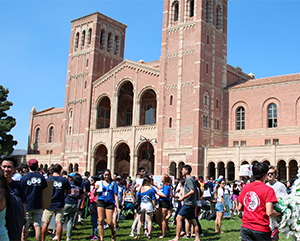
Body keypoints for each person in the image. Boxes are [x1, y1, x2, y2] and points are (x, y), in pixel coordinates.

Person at [238, 162, 281, 241]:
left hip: (246, 228)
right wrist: (280, 213)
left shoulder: (245, 188)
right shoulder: (268, 190)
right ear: (265, 175)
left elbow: (240, 208)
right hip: (261, 229)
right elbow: (269, 212)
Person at [41, 164, 71, 241]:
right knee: (59, 223)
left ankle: (42, 239)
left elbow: (44, 191)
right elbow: (69, 191)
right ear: (60, 170)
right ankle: (59, 239)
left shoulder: (48, 179)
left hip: (49, 203)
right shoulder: (63, 180)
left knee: (45, 223)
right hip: (60, 203)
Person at [170, 165, 200, 241]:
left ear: (186, 171)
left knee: (178, 218)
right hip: (192, 203)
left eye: (182, 170)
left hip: (188, 203)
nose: (181, 171)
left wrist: (183, 198)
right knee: (193, 220)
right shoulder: (191, 179)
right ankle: (197, 238)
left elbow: (192, 191)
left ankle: (177, 238)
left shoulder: (189, 179)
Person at [1, 156, 28, 241]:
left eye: (9, 167)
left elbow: (22, 205)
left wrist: (25, 222)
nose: (6, 169)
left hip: (13, 224)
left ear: (14, 169)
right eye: (4, 166)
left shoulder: (18, 187)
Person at [21, 159, 47, 241]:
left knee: (25, 225)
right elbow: (43, 192)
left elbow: (21, 192)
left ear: (28, 166)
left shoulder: (25, 177)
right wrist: (43, 204)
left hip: (27, 204)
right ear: (37, 166)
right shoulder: (41, 177)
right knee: (37, 225)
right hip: (38, 204)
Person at [95, 169, 120, 241]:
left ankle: (112, 231)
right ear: (103, 175)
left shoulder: (113, 183)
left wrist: (117, 206)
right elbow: (95, 194)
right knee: (101, 221)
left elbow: (115, 195)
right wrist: (95, 189)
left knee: (109, 221)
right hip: (101, 201)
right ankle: (101, 239)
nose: (106, 176)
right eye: (105, 175)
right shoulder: (99, 183)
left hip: (109, 202)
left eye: (108, 175)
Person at [266, 166, 288, 241]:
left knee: (273, 237)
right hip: (266, 215)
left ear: (275, 174)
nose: (270, 175)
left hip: (275, 214)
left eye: (272, 173)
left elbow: (286, 199)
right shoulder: (265, 186)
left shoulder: (280, 186)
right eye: (268, 173)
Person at [134, 173, 156, 239]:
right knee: (149, 220)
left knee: (140, 220)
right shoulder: (151, 189)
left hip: (142, 204)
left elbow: (137, 196)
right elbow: (153, 199)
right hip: (148, 204)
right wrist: (154, 206)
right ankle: (149, 234)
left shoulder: (140, 188)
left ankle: (138, 234)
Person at [63, 173, 83, 241]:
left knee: (61, 220)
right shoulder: (80, 187)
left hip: (67, 202)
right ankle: (68, 237)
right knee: (70, 221)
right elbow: (80, 197)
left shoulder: (69, 184)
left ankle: (57, 234)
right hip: (74, 204)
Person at [157, 174, 171, 238]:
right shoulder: (163, 186)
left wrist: (157, 193)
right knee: (157, 217)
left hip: (165, 203)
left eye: (162, 177)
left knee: (163, 219)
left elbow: (165, 195)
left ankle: (163, 234)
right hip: (161, 202)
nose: (160, 178)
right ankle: (163, 229)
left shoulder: (166, 186)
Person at [87, 175, 99, 241]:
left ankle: (95, 235)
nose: (91, 182)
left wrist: (94, 207)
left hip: (94, 205)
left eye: (92, 180)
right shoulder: (94, 188)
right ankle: (94, 234)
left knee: (94, 220)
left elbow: (96, 199)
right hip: (92, 204)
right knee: (92, 220)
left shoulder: (97, 189)